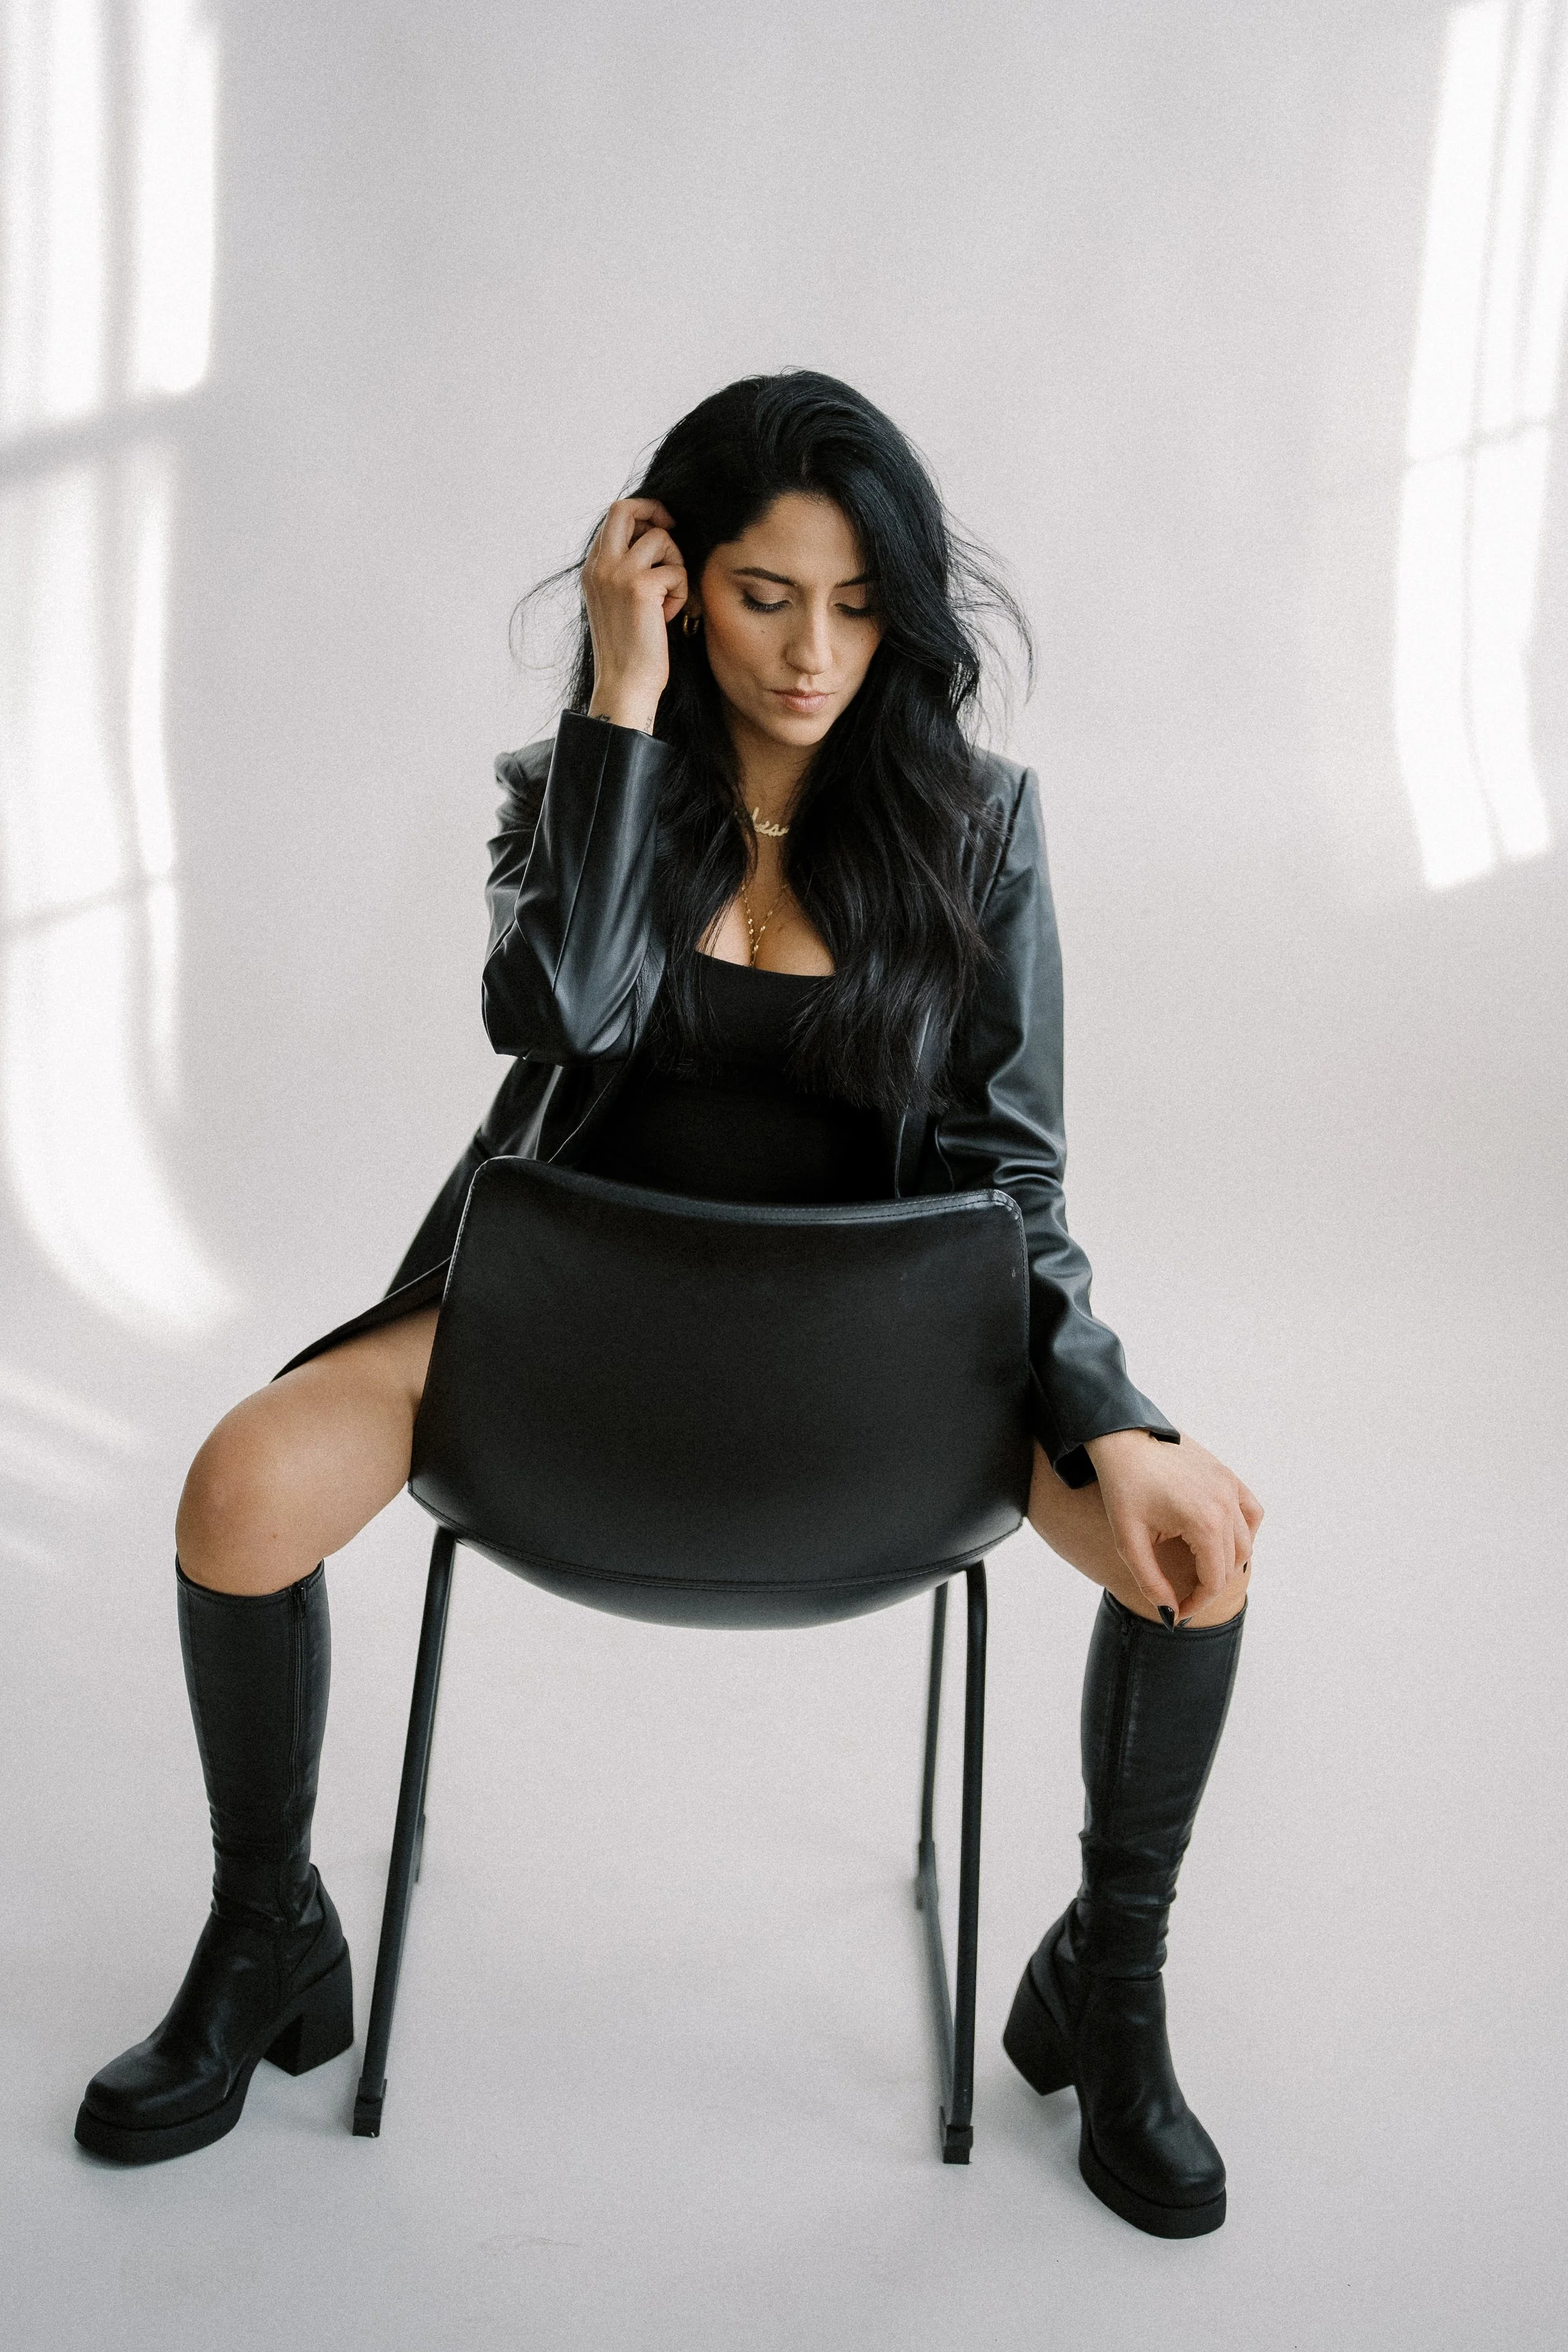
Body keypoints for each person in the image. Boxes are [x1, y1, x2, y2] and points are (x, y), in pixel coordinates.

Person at [75, 370, 1263, 2237]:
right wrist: (621, 713)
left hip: (880, 1364)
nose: (813, 653)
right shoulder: (597, 792)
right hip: (561, 1321)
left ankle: (1107, 1986)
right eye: (765, 595)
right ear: (675, 582)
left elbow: (1013, 1181)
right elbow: (557, 1018)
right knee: (237, 1487)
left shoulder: (981, 825)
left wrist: (1109, 1411)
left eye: (860, 605)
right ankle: (266, 1934)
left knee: (1195, 1542)